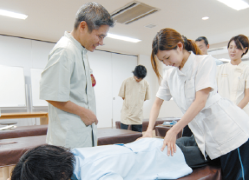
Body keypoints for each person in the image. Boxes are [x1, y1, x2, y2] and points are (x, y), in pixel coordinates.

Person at [143, 28, 249, 180]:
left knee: (240, 176)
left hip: (229, 132)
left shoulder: (203, 62)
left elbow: (200, 101)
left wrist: (173, 130)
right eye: (162, 61)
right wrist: (149, 130)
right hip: (208, 137)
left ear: (179, 46)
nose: (167, 63)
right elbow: (157, 103)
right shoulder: (170, 74)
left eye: (167, 57)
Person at [39, 2, 114, 148]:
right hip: (68, 141)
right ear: (83, 27)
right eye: (99, 36)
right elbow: (51, 94)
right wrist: (83, 112)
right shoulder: (64, 51)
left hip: (81, 137)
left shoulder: (81, 51)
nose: (101, 42)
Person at [10, 138, 192, 180]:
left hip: (168, 154)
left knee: (213, 147)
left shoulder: (97, 174)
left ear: (62, 174)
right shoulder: (73, 155)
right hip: (150, 144)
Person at [216, 35, 249, 117]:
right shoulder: (219, 69)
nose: (232, 50)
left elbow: (248, 96)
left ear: (244, 49)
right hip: (222, 113)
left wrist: (234, 111)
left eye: (237, 47)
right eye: (230, 47)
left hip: (241, 113)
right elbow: (215, 92)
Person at [118, 65, 150, 132]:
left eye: (140, 78)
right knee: (122, 134)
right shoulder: (126, 81)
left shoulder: (146, 84)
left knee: (137, 135)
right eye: (137, 77)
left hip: (138, 114)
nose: (138, 80)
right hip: (127, 113)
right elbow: (122, 97)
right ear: (134, 74)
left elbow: (145, 98)